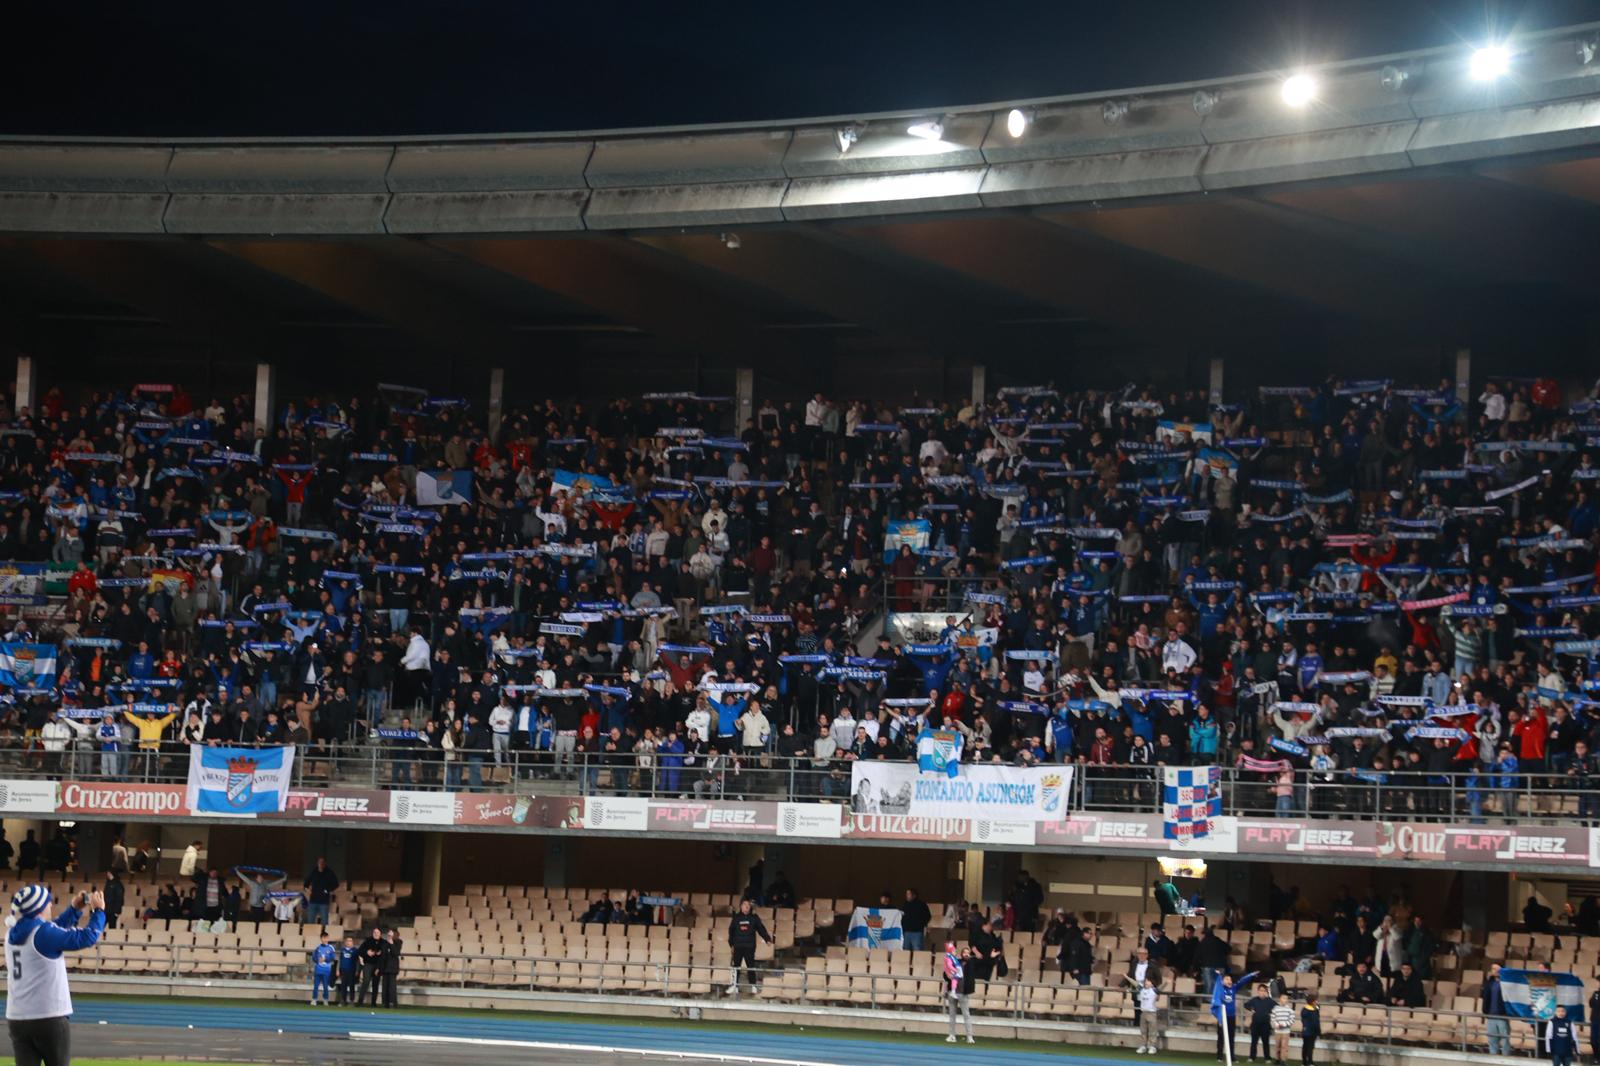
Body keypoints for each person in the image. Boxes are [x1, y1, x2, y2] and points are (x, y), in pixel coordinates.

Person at [4, 884, 107, 1066]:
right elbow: (88, 937)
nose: (50, 906)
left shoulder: (12, 933)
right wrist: (98, 911)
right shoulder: (43, 934)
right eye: (48, 903)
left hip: (18, 1018)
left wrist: (74, 910)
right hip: (48, 1016)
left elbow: (50, 929)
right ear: (40, 907)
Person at [726, 899, 772, 995]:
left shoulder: (754, 918)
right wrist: (731, 945)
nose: (747, 906)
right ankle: (734, 986)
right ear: (741, 906)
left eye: (748, 905)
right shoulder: (736, 918)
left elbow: (761, 928)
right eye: (745, 904)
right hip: (738, 946)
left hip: (749, 946)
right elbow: (731, 932)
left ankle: (753, 986)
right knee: (736, 966)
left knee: (751, 966)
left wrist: (767, 938)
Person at [943, 942, 977, 1045]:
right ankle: (952, 1035)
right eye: (964, 952)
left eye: (968, 953)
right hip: (953, 992)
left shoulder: (971, 963)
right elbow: (946, 973)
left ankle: (969, 1036)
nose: (966, 954)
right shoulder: (955, 961)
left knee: (966, 1015)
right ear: (961, 954)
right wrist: (947, 975)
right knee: (952, 1015)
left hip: (964, 993)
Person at [1483, 963, 1510, 1056]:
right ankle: (1492, 1058)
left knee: (1505, 1039)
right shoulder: (1489, 983)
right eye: (1493, 969)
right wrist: (1485, 1010)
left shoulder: (1506, 983)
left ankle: (1506, 1059)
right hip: (1491, 1015)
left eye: (1498, 969)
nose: (1495, 971)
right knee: (1492, 1039)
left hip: (1502, 1016)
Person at [1245, 982, 1276, 1062]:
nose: (1262, 992)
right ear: (1258, 991)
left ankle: (1267, 1058)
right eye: (1260, 990)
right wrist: (1251, 1009)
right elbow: (1246, 1005)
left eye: (1264, 991)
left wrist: (1271, 1013)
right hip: (1255, 1024)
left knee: (1266, 1042)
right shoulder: (1254, 1000)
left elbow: (1277, 1007)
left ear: (1266, 992)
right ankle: (1252, 1057)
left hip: (1265, 1025)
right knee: (1254, 1042)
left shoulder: (1270, 1001)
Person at [303, 857, 339, 927]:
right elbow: (306, 883)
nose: (321, 864)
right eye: (319, 862)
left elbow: (336, 884)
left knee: (324, 922)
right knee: (310, 921)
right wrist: (308, 890)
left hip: (324, 901)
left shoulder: (329, 872)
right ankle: (311, 936)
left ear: (325, 863)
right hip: (313, 900)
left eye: (322, 862)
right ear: (317, 863)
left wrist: (327, 890)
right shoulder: (314, 872)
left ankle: (324, 936)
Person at [1211, 971, 1238, 1062]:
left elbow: (1242, 981)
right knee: (1221, 1037)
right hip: (1222, 1017)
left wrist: (1251, 976)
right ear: (1223, 981)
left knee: (1231, 1037)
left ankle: (1232, 1056)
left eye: (1230, 979)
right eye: (1226, 979)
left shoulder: (1233, 988)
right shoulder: (1220, 989)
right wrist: (1218, 975)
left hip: (1232, 1017)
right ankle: (1219, 1056)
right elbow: (1217, 982)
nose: (1229, 980)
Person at [358, 926, 388, 1005]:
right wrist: (367, 952)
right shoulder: (368, 941)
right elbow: (360, 950)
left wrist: (379, 967)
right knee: (366, 981)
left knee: (376, 983)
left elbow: (384, 955)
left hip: (378, 965)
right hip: (368, 964)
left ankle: (373, 1002)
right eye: (374, 932)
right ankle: (360, 1001)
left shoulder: (384, 942)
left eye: (377, 932)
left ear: (380, 934)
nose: (376, 934)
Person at [1135, 975, 1161, 1054]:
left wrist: (1167, 982)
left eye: (1148, 981)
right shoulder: (1142, 989)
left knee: (1152, 1031)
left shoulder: (1154, 991)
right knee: (1143, 1030)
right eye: (1146, 981)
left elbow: (1161, 988)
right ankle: (1143, 1046)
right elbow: (1134, 983)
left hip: (1152, 1013)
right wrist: (1126, 977)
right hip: (1143, 1013)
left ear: (1152, 984)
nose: (1146, 982)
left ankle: (1152, 1046)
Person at [310, 931, 336, 1005]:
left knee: (325, 986)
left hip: (326, 970)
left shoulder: (331, 948)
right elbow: (314, 957)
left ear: (328, 938)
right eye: (323, 938)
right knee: (316, 986)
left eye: (326, 938)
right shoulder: (318, 948)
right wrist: (318, 960)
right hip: (318, 970)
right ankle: (314, 999)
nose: (325, 939)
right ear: (321, 939)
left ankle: (325, 999)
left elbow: (332, 957)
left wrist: (326, 959)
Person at [1271, 991, 1295, 1065]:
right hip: (1277, 1031)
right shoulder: (1275, 1009)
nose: (1285, 1000)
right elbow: (1273, 1018)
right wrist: (1276, 1024)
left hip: (1286, 1031)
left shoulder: (1290, 1010)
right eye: (1283, 998)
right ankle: (1278, 1059)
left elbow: (1292, 1020)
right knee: (1277, 1046)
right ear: (1280, 999)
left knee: (1284, 1046)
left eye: (1286, 998)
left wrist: (1284, 1024)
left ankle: (1283, 1060)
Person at [337, 934, 360, 1005]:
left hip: (352, 971)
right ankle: (343, 1000)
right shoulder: (342, 950)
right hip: (343, 970)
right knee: (343, 986)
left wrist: (357, 970)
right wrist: (337, 970)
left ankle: (351, 1000)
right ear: (345, 942)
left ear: (352, 942)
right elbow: (339, 960)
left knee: (351, 986)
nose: (348, 942)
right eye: (347, 941)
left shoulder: (355, 950)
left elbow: (358, 961)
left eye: (350, 941)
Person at [381, 928, 401, 1007]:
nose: (389, 935)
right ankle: (385, 1002)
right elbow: (383, 954)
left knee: (392, 986)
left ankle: (392, 1002)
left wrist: (391, 943)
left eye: (390, 934)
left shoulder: (398, 942)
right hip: (385, 967)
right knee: (385, 986)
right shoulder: (385, 943)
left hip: (393, 968)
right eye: (388, 934)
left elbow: (396, 953)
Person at [1299, 992, 1320, 1065]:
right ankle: (1307, 1062)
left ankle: (1308, 1061)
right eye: (1316, 1000)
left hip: (1313, 1031)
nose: (1317, 1002)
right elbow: (1307, 1021)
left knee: (1310, 1047)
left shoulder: (1316, 1009)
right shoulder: (1306, 1010)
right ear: (1312, 1001)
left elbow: (1317, 1021)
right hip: (1308, 1031)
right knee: (1307, 1047)